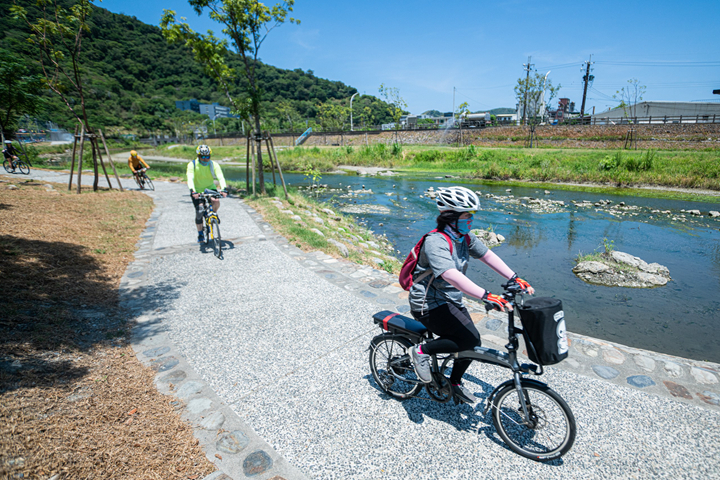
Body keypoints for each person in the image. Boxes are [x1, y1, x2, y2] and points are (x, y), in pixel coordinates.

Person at [407, 186, 534, 404]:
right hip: (427, 304)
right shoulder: (435, 241)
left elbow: (488, 256)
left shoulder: (464, 237)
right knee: (468, 339)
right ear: (451, 216)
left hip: (450, 300)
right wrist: (486, 295)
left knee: (471, 341)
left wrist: (514, 277)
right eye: (466, 216)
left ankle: (454, 382)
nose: (470, 220)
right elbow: (450, 276)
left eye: (471, 216)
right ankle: (420, 351)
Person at [187, 144, 227, 243]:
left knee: (216, 200)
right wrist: (193, 190)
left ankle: (214, 214)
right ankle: (200, 233)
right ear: (198, 156)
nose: (205, 159)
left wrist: (223, 189)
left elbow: (220, 177)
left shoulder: (214, 164)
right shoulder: (192, 165)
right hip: (197, 190)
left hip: (210, 188)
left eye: (207, 156)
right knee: (200, 210)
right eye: (203, 157)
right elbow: (190, 178)